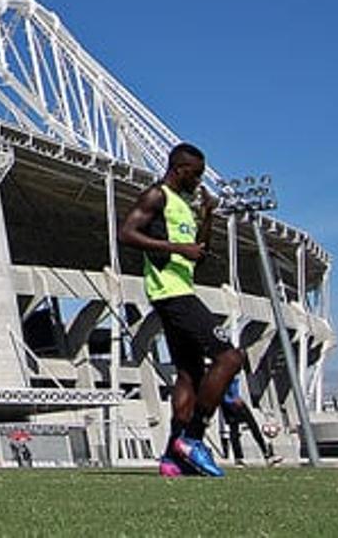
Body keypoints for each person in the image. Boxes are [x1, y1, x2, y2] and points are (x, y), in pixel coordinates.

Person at [118, 142, 242, 478]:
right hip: (170, 294)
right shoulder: (156, 196)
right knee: (230, 358)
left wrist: (208, 217)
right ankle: (194, 438)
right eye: (197, 174)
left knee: (189, 374)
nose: (200, 180)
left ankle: (172, 457)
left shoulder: (183, 205)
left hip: (182, 288)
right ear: (180, 169)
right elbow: (126, 233)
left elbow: (197, 252)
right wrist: (176, 247)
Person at [220, 374, 278, 466]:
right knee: (249, 427)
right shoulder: (226, 371)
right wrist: (233, 399)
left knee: (236, 429)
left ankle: (240, 458)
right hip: (233, 403)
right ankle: (266, 455)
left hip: (231, 401)